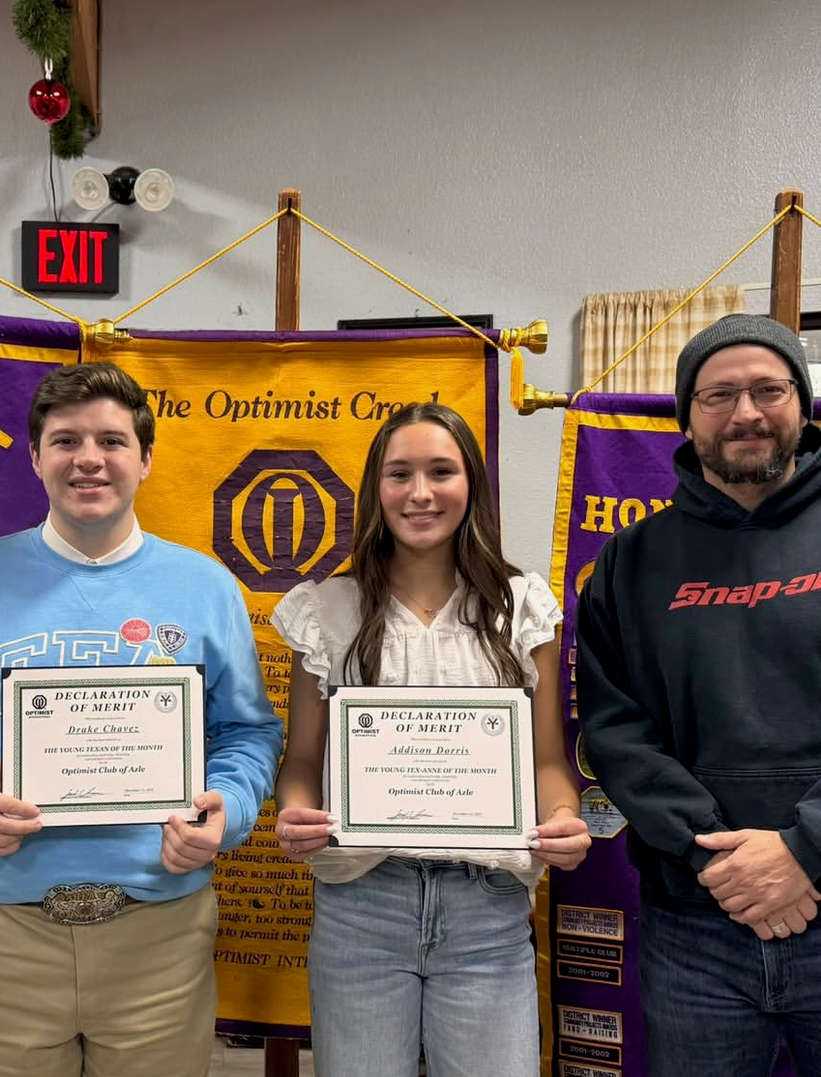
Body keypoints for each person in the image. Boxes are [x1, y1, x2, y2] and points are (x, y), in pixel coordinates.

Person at [0, 361, 282, 1077]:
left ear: (146, 459)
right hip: (3, 934)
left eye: (112, 441)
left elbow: (248, 733)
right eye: (65, 441)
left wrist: (232, 807)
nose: (88, 458)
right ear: (34, 457)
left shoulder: (207, 586)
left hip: (160, 933)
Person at [271, 402, 590, 1077]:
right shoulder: (327, 609)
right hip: (362, 903)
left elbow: (549, 763)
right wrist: (295, 812)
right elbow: (300, 761)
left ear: (471, 481)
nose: (420, 492)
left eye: (441, 471)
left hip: (490, 912)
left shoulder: (521, 605)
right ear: (374, 489)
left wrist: (563, 818)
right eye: (399, 473)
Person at [576, 313, 821, 1077]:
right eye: (718, 395)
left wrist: (804, 847)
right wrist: (717, 856)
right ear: (687, 416)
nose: (745, 412)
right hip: (695, 925)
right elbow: (615, 729)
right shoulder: (630, 560)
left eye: (767, 389)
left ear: (803, 402)